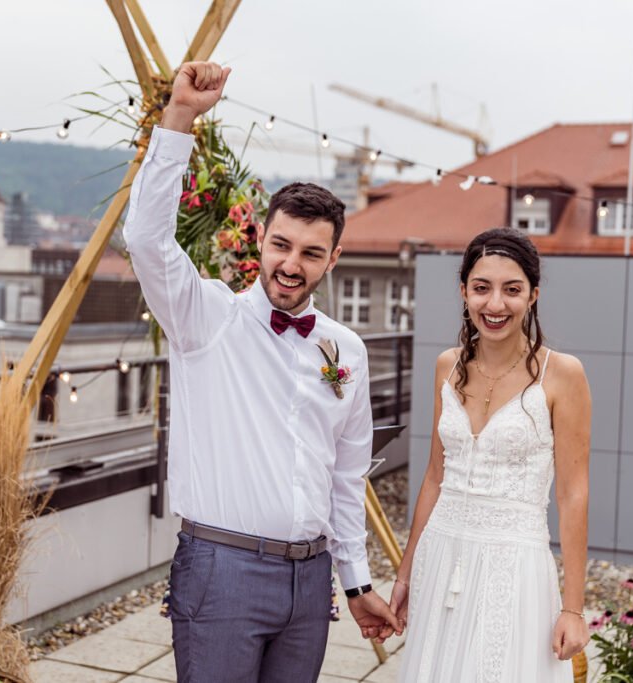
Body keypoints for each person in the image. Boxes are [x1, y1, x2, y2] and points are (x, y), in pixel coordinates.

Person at [122, 62, 401, 682]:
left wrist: (356, 585)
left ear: (333, 258)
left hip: (311, 583)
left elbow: (347, 480)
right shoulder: (206, 318)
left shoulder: (346, 351)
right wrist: (181, 118)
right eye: (281, 245)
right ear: (260, 241)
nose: (291, 264)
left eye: (309, 252)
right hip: (222, 571)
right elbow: (146, 239)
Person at [389, 228, 591, 681]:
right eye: (481, 288)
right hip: (441, 556)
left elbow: (573, 495)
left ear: (533, 295)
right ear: (464, 291)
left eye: (512, 289)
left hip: (513, 565)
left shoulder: (563, 375)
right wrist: (404, 575)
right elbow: (435, 478)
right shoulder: (447, 366)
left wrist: (573, 607)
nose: (494, 304)